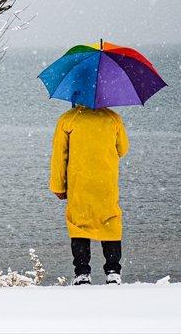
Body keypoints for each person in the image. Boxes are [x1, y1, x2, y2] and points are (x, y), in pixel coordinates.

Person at [49, 104, 129, 285]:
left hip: (79, 182)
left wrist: (58, 186)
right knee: (110, 222)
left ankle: (82, 273)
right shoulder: (112, 118)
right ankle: (113, 271)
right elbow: (123, 149)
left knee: (79, 223)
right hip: (106, 181)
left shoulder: (68, 119)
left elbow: (58, 156)